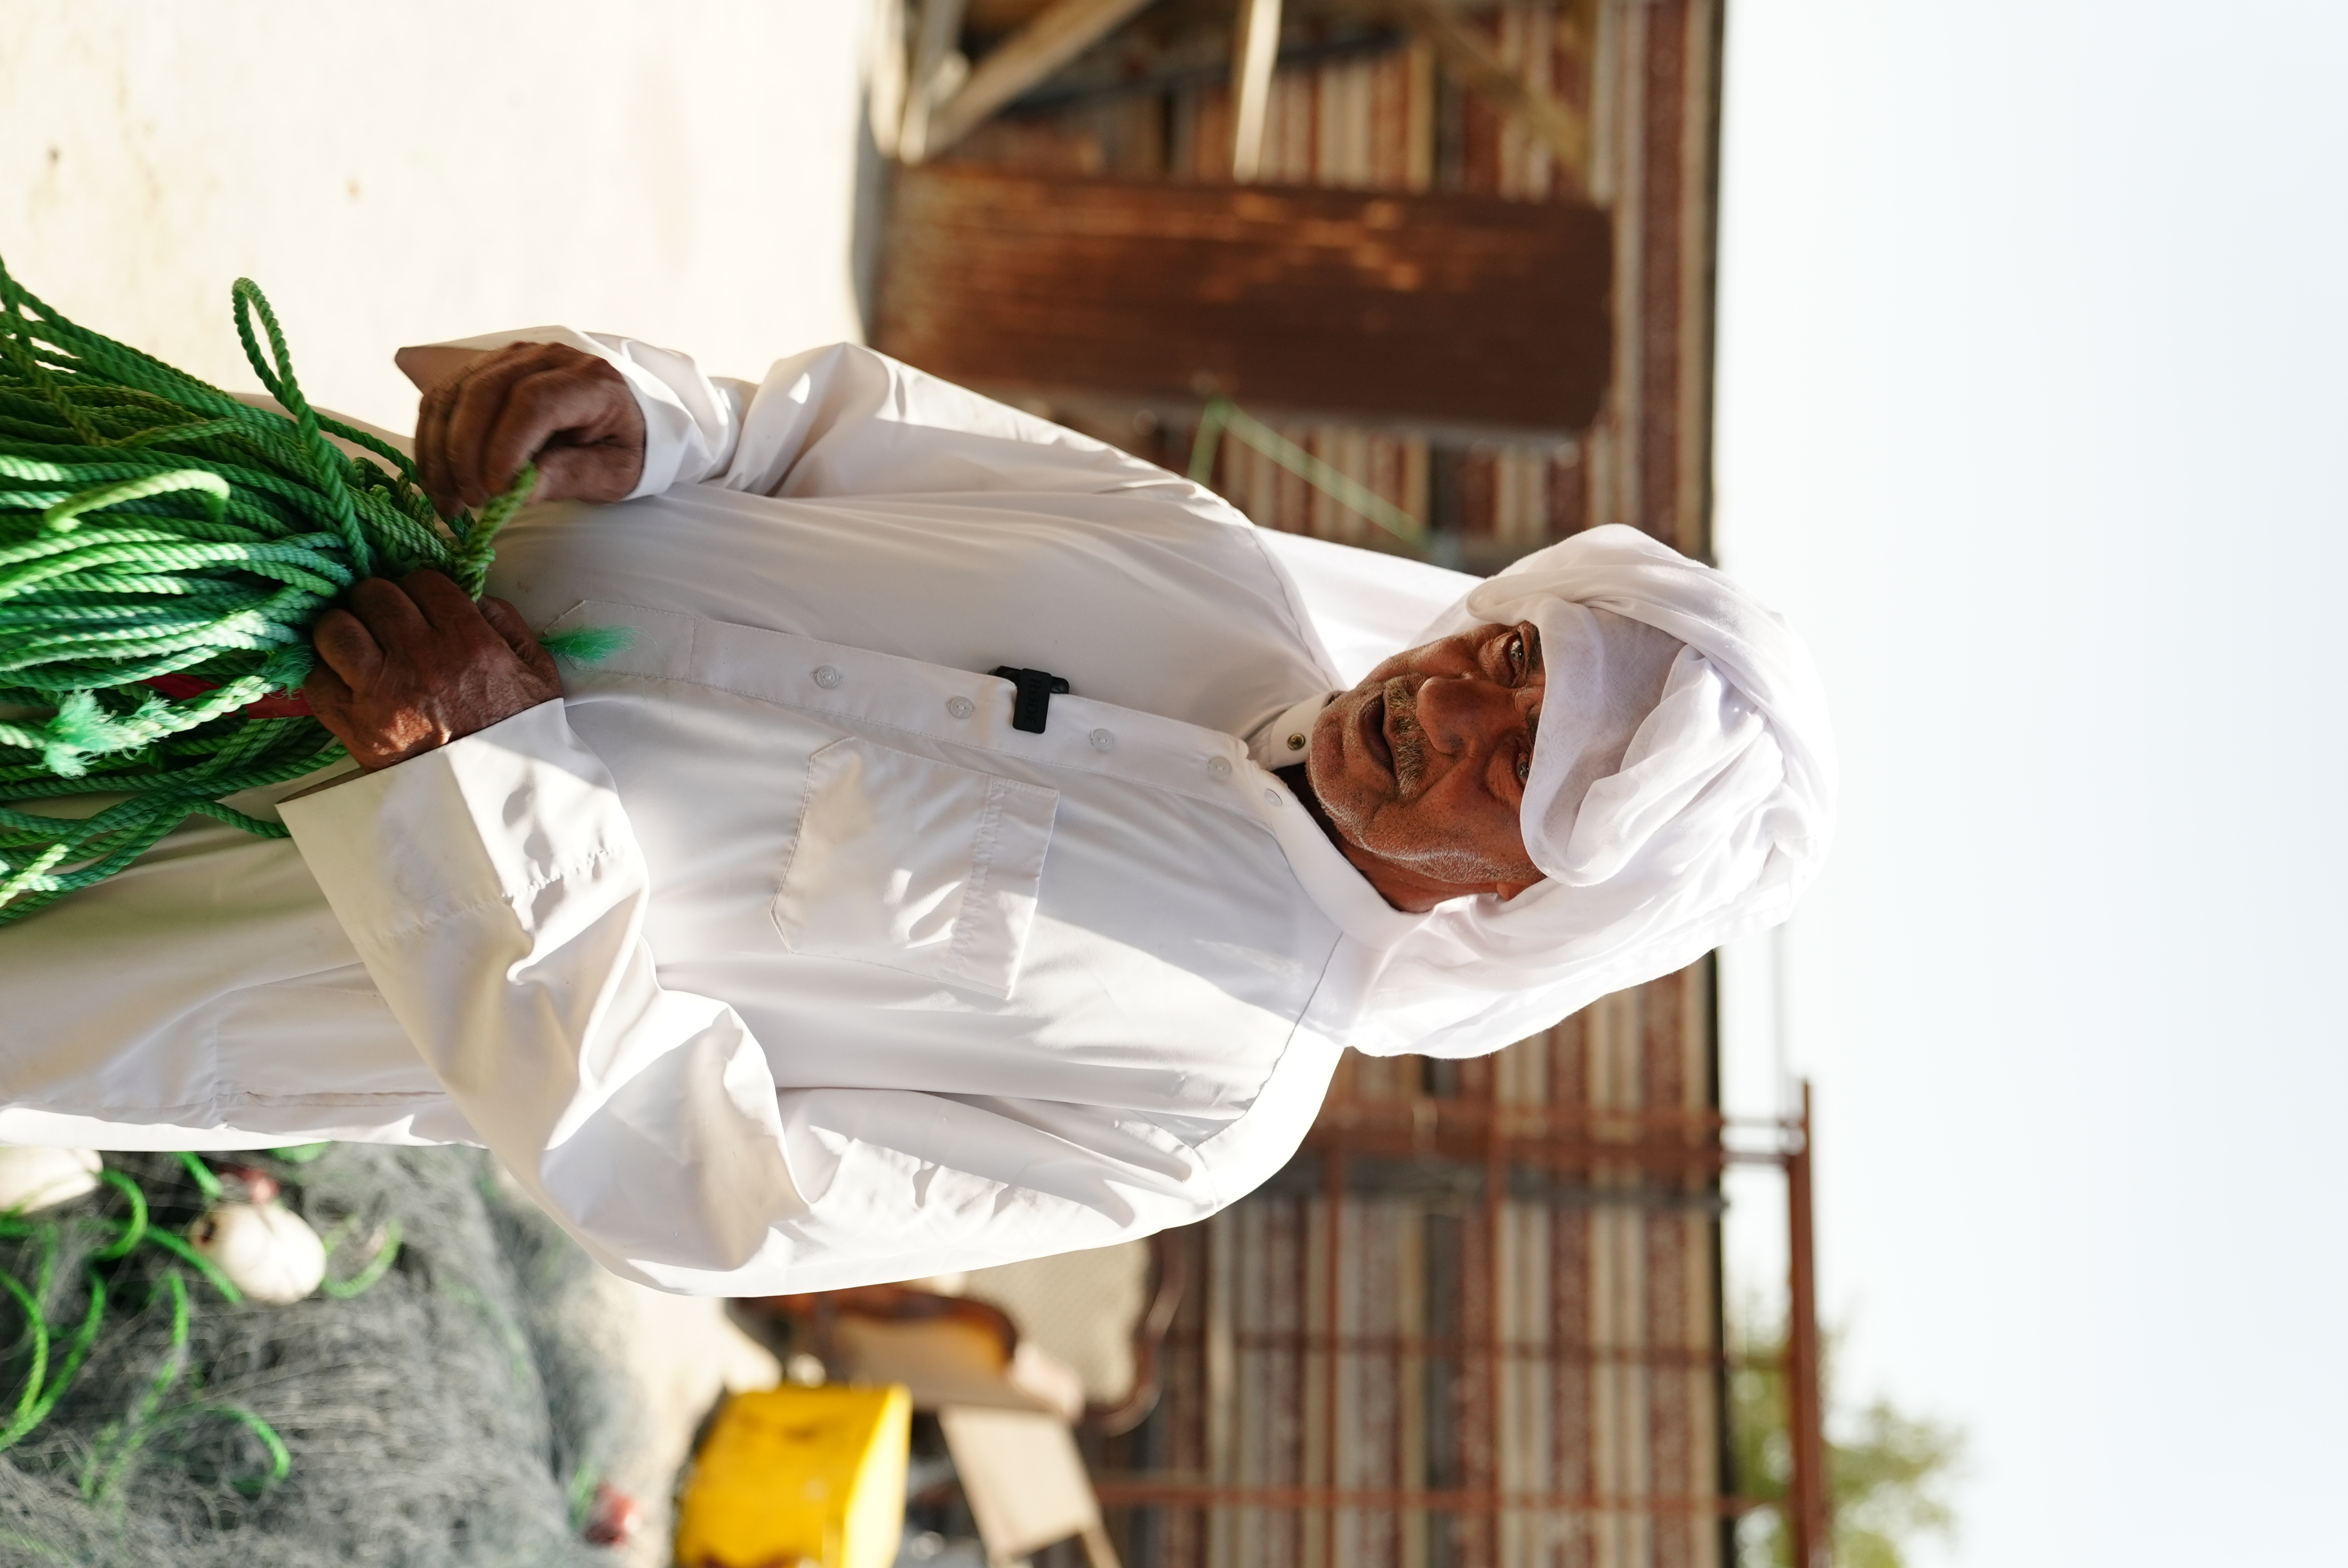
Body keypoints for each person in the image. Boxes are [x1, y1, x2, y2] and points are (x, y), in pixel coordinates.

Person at [0, 331, 1835, 1294]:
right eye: (1509, 655)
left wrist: (476, 790)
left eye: (1517, 765)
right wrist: (646, 411)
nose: (1447, 704)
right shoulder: (1198, 561)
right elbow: (822, 435)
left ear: (1531, 892)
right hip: (202, 563)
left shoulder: (1205, 1100)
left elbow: (708, 1196)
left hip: (201, 935)